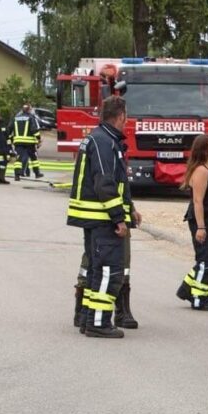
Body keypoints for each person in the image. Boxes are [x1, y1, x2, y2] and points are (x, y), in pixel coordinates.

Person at [67, 96, 130, 338]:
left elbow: (117, 182)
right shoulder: (105, 142)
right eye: (126, 117)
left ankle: (88, 318)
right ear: (121, 115)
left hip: (93, 218)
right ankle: (99, 322)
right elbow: (104, 182)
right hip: (102, 219)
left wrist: (129, 207)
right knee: (108, 271)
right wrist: (118, 218)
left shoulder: (98, 137)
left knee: (96, 269)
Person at [177, 133, 208, 312]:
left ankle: (186, 288)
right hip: (203, 220)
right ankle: (200, 298)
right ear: (205, 151)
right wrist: (201, 227)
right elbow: (198, 201)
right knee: (207, 259)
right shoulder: (201, 171)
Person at [12, 103, 43, 180]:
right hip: (29, 142)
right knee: (34, 158)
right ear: (29, 110)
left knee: (18, 159)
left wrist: (10, 140)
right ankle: (37, 173)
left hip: (18, 142)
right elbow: (34, 130)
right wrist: (39, 139)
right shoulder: (31, 117)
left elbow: (9, 129)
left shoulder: (16, 117)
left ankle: (17, 175)